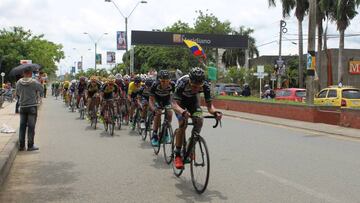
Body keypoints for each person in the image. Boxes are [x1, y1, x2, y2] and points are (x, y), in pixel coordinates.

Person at [172, 67, 222, 169]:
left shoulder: (206, 86)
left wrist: (215, 112)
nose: (196, 89)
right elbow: (175, 105)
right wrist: (182, 111)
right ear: (189, 81)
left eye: (198, 87)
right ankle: (177, 154)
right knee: (183, 124)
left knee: (199, 120)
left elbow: (210, 107)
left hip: (193, 102)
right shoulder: (182, 83)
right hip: (180, 102)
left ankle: (191, 146)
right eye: (194, 86)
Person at [16, 68, 43, 151]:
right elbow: (41, 90)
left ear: (23, 73)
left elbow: (17, 93)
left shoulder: (18, 82)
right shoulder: (34, 82)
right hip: (32, 106)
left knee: (22, 126)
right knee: (31, 127)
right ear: (30, 73)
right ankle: (30, 146)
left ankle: (21, 146)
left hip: (23, 107)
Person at [149, 70, 175, 146]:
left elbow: (174, 97)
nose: (165, 83)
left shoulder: (172, 85)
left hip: (166, 100)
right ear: (159, 80)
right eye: (163, 81)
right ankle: (154, 135)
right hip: (157, 100)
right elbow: (150, 99)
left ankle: (165, 130)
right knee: (158, 113)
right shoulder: (155, 85)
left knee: (170, 113)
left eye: (167, 81)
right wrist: (154, 108)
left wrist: (173, 105)